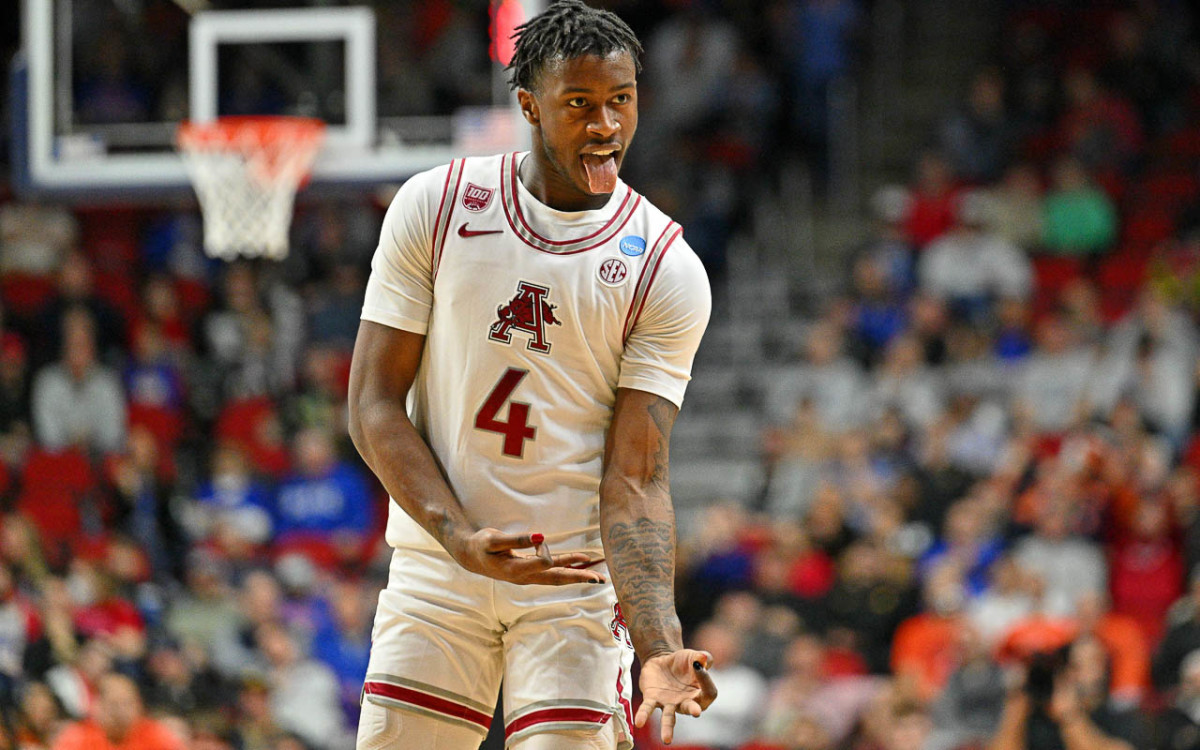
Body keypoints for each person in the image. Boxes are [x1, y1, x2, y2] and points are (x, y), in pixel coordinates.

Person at [348, 3, 716, 749]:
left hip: (573, 585)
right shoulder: (437, 204)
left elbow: (637, 477)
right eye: (580, 104)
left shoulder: (666, 269)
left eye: (621, 100)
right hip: (437, 563)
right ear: (529, 106)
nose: (607, 125)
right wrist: (457, 536)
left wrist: (659, 641)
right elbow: (372, 404)